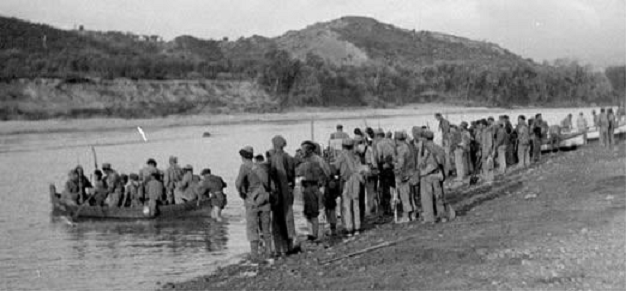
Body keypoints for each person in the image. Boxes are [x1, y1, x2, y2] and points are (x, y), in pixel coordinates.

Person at [236, 146, 272, 262]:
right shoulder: (262, 166)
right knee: (266, 228)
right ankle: (269, 252)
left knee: (252, 229)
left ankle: (255, 256)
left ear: (242, 157)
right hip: (265, 199)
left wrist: (242, 194)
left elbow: (238, 183)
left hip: (252, 201)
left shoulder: (244, 167)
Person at [296, 140, 330, 240]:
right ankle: (313, 233)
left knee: (320, 210)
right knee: (309, 212)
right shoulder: (304, 161)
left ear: (310, 150)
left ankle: (320, 234)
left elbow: (327, 172)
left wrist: (323, 184)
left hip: (318, 187)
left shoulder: (318, 160)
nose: (301, 152)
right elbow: (298, 173)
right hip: (307, 188)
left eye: (303, 150)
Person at [268, 135, 296, 256]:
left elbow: (275, 176)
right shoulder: (288, 157)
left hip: (279, 192)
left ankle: (280, 248)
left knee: (277, 221)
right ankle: (290, 244)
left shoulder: (274, 158)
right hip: (288, 190)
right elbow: (291, 175)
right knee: (288, 217)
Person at [333, 138, 366, 236]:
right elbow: (360, 169)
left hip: (347, 180)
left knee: (347, 205)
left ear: (343, 146)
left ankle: (349, 228)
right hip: (356, 180)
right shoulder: (356, 156)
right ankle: (357, 227)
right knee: (356, 203)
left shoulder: (342, 155)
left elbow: (336, 167)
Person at [419, 131, 453, 223]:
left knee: (428, 198)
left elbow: (424, 164)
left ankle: (430, 218)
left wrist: (422, 172)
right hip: (438, 175)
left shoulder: (426, 148)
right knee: (439, 196)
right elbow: (444, 162)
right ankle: (443, 216)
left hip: (428, 175)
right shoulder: (439, 148)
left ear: (425, 138)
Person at [393, 131, 416, 223]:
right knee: (411, 194)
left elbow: (401, 163)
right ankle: (413, 214)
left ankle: (406, 216)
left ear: (397, 140)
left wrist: (396, 168)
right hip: (410, 173)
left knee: (404, 195)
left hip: (404, 175)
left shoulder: (401, 149)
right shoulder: (409, 146)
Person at [374, 128, 395, 214]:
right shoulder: (394, 142)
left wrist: (379, 167)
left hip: (385, 167)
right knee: (394, 188)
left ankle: (387, 208)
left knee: (385, 189)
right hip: (394, 167)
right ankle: (394, 207)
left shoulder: (379, 144)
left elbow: (379, 157)